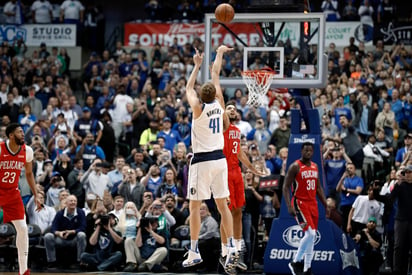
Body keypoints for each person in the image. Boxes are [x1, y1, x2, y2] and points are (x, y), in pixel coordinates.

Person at [182, 45, 238, 274]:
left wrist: (196, 66)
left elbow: (187, 88)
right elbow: (215, 73)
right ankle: (232, 246)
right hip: (220, 161)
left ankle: (194, 251)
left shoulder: (197, 108)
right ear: (214, 95)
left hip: (202, 162)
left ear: (200, 96)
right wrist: (220, 52)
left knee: (194, 206)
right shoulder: (220, 104)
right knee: (223, 204)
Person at [221, 101, 266, 271]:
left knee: (238, 211)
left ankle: (237, 253)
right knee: (228, 212)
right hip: (224, 171)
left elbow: (239, 152)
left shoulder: (237, 131)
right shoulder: (223, 125)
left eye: (234, 109)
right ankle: (226, 252)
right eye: (229, 108)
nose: (232, 110)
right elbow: (220, 102)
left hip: (236, 172)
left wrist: (252, 167)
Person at [0, 123, 41, 275]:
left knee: (23, 229)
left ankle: (23, 270)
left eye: (23, 132)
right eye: (19, 132)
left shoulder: (27, 151)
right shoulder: (0, 149)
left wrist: (36, 194)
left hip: (12, 192)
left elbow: (29, 174)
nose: (23, 134)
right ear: (11, 135)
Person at [283, 142, 327, 275]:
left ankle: (307, 268)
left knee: (312, 237)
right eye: (305, 150)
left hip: (313, 203)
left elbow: (318, 187)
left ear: (313, 152)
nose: (308, 152)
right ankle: (295, 262)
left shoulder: (315, 166)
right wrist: (289, 206)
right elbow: (285, 187)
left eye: (310, 150)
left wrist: (325, 204)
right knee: (310, 233)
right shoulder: (295, 166)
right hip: (300, 203)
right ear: (301, 151)